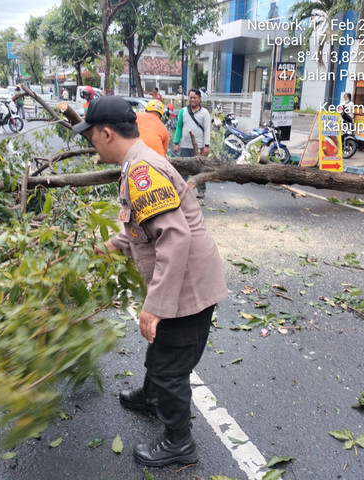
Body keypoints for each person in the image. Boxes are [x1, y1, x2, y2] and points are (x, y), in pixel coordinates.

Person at [73, 96, 227, 468]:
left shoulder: (143, 171)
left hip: (187, 288)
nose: (91, 143)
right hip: (182, 279)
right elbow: (141, 229)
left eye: (92, 136)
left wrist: (155, 306)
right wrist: (103, 249)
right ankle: (152, 395)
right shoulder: (136, 165)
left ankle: (179, 443)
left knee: (171, 366)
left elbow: (175, 237)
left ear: (107, 133)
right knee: (162, 350)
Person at [174, 88, 211, 198]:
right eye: (190, 97)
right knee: (184, 169)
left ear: (199, 99)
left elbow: (207, 130)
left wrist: (206, 146)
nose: (192, 99)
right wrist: (176, 142)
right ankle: (183, 190)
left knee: (199, 169)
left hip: (199, 146)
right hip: (185, 145)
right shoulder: (183, 111)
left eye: (195, 97)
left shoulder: (205, 113)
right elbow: (179, 128)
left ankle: (201, 191)